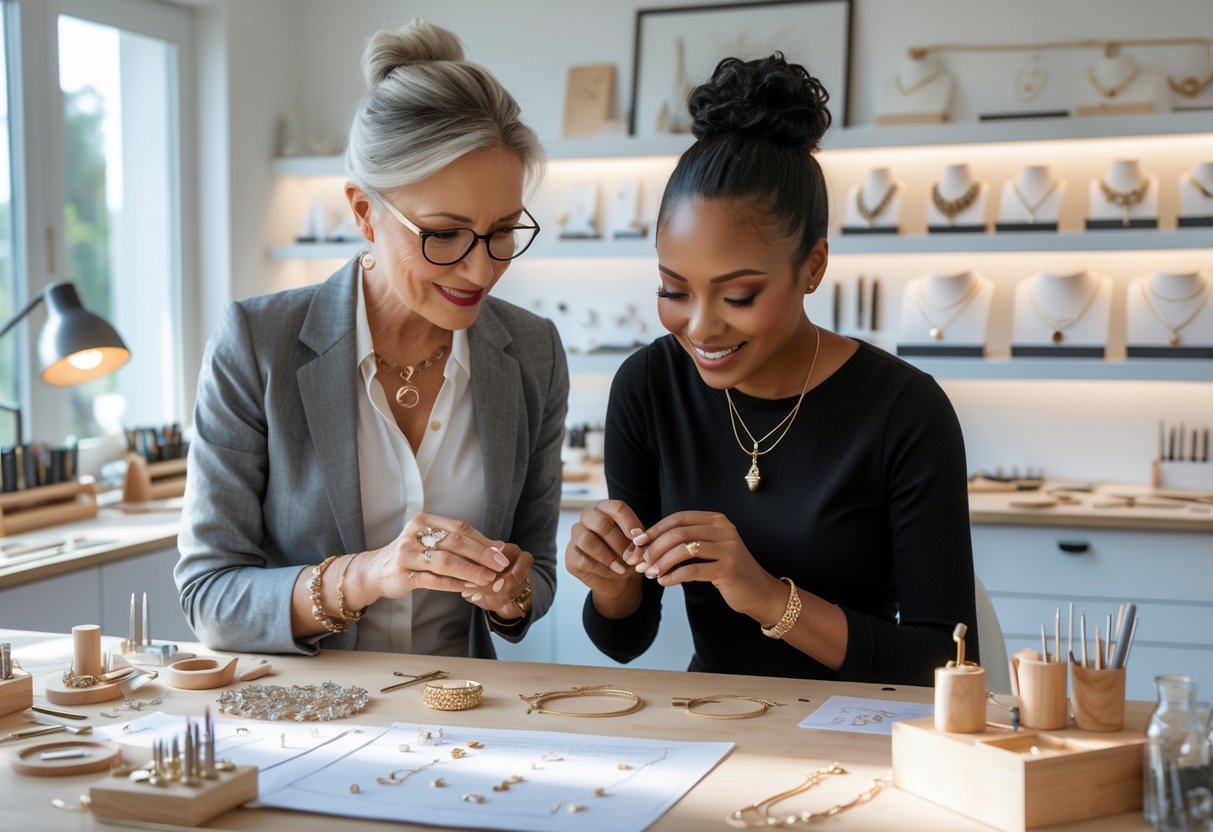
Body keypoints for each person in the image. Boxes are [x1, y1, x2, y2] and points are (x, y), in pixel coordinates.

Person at [565, 54, 978, 685]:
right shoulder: (648, 388)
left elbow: (943, 663)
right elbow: (627, 639)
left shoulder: (905, 411)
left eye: (738, 297)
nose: (700, 328)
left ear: (812, 266)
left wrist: (763, 595)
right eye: (674, 290)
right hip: (714, 716)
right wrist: (610, 583)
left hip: (862, 726)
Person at [176, 19, 567, 658]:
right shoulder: (256, 343)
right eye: (444, 234)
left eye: (502, 230)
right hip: (304, 723)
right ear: (363, 211)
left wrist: (513, 595)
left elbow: (539, 573)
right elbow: (209, 596)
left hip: (464, 715)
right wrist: (367, 575)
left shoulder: (533, 352)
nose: (483, 268)